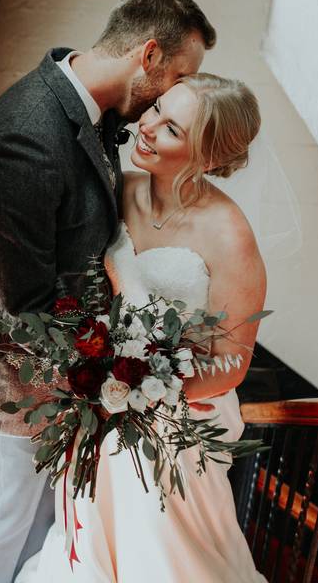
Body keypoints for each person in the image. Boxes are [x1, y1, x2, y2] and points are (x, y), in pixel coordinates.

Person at [0, 0, 216, 583]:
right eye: (178, 74)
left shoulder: (94, 110)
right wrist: (119, 368)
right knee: (4, 516)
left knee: (54, 523)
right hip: (17, 379)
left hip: (71, 382)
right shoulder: (24, 139)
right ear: (148, 55)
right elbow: (27, 311)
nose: (177, 92)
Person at [15, 73, 267, 582]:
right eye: (156, 110)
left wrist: (146, 392)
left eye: (171, 128)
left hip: (178, 419)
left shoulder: (229, 235)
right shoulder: (116, 188)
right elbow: (41, 238)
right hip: (102, 397)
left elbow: (232, 360)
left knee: (157, 544)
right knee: (88, 533)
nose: (146, 127)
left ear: (208, 157)